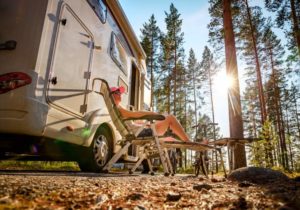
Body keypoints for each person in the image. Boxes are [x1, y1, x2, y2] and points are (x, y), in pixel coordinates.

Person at [110, 86, 191, 142]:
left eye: (120, 92)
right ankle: (188, 142)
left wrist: (142, 123)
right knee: (170, 118)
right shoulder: (118, 108)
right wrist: (150, 113)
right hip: (139, 133)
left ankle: (186, 142)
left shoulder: (117, 108)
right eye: (117, 92)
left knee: (169, 138)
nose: (120, 94)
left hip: (138, 131)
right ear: (112, 95)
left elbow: (130, 121)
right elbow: (134, 114)